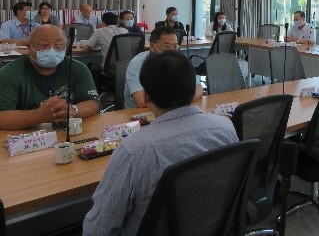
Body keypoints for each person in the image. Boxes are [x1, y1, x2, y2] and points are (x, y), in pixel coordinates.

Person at [83, 51, 238, 235]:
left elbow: (97, 229)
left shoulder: (133, 150)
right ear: (194, 89)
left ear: (146, 96)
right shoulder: (226, 128)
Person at [0, 25, 100, 130]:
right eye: (44, 45)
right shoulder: (9, 74)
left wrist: (73, 110)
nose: (51, 50)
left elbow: (93, 103)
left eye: (58, 45)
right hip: (24, 139)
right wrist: (38, 116)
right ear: (29, 46)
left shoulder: (78, 69)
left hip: (67, 135)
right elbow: (2, 116)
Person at [124, 26, 203, 108]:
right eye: (167, 46)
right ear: (152, 45)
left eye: (175, 46)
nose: (172, 50)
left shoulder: (179, 61)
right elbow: (142, 102)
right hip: (139, 115)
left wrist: (181, 101)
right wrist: (182, 100)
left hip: (171, 111)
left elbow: (199, 89)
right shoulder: (137, 64)